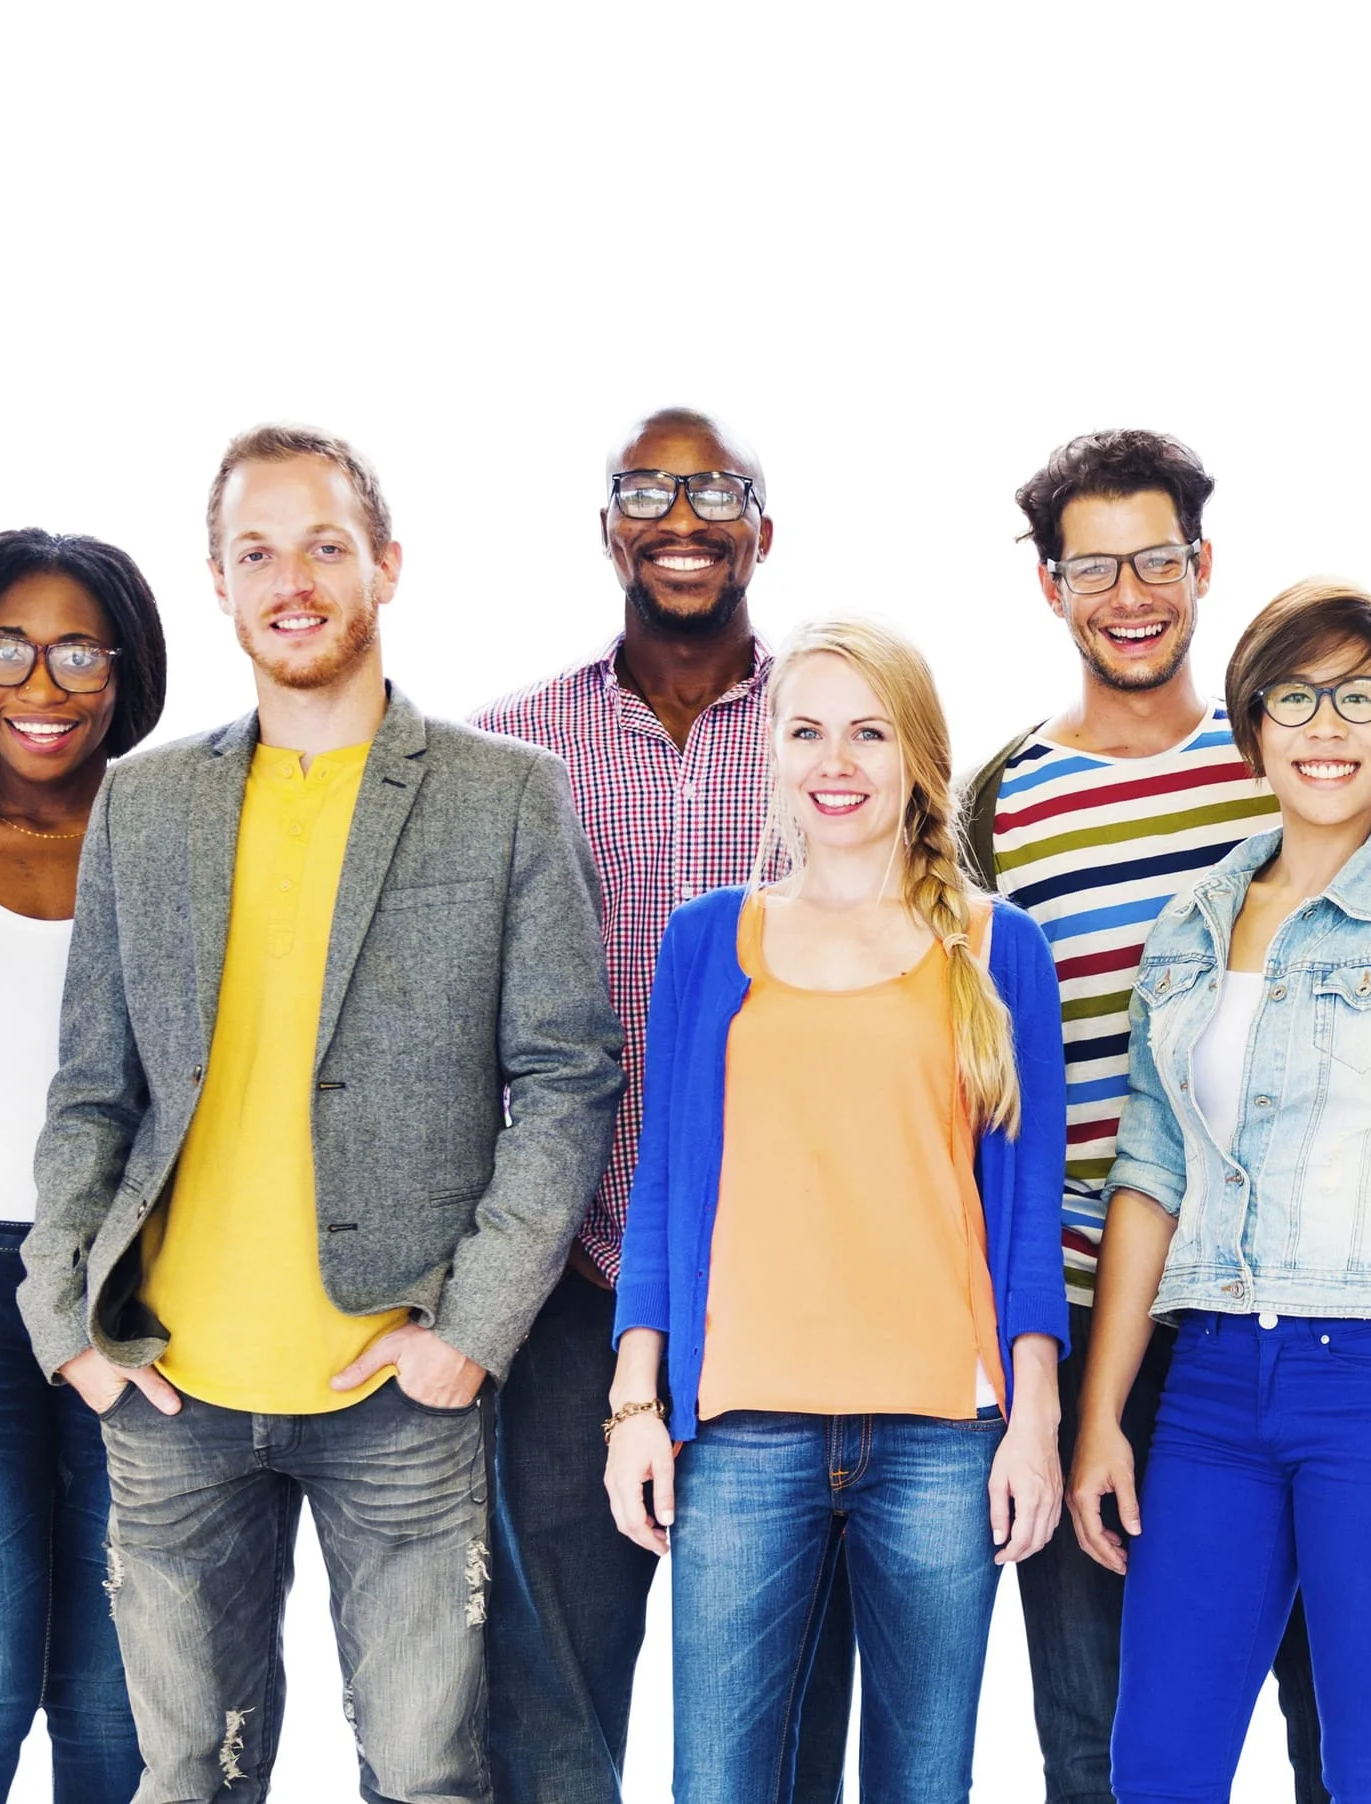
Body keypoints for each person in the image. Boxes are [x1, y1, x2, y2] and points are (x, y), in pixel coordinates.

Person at [15, 423, 623, 1801]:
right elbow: (92, 1090)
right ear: (220, 587)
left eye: (325, 545)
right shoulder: (146, 803)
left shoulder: (503, 797)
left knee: (423, 1777)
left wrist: (469, 1332)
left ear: (387, 566)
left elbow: (569, 1077)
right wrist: (68, 1327)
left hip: (395, 1392)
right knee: (189, 1781)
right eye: (257, 552)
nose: (292, 579)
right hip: (169, 1383)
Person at [1068, 581, 1371, 1802]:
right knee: (1160, 1766)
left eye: (1359, 697)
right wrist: (1101, 1419)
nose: (1326, 726)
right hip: (1215, 1384)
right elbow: (1150, 1177)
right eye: (1294, 698)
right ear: (1253, 730)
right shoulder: (1191, 926)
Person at [603, 618, 1070, 1804]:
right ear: (772, 752)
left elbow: (1021, 1218)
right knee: (719, 1784)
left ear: (917, 753)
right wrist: (634, 1408)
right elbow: (662, 1185)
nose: (838, 760)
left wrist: (1034, 1422)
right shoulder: (712, 939)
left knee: (922, 1784)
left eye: (869, 731)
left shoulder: (996, 947)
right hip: (745, 1428)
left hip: (942, 1435)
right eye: (807, 729)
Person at [473, 407, 851, 1804]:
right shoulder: (513, 752)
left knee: (788, 1690)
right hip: (577, 1277)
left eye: (715, 490)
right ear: (607, 526)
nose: (680, 516)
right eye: (647, 488)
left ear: (763, 525)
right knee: (555, 1687)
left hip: (793, 1288)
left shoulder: (837, 739)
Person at [956, 430, 1318, 1804]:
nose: (1131, 594)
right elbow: (974, 1086)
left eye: (1156, 559)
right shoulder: (999, 810)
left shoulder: (1285, 766)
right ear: (1050, 586)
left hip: (1285, 1319)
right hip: (1080, 1323)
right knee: (1101, 1750)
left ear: (1203, 567)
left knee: (1330, 1723)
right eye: (1094, 566)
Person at [0, 531, 165, 1803]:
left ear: (123, 668)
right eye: (5, 647)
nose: (39, 686)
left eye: (75, 650)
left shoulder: (182, 853)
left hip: (135, 1296)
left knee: (127, 1711)